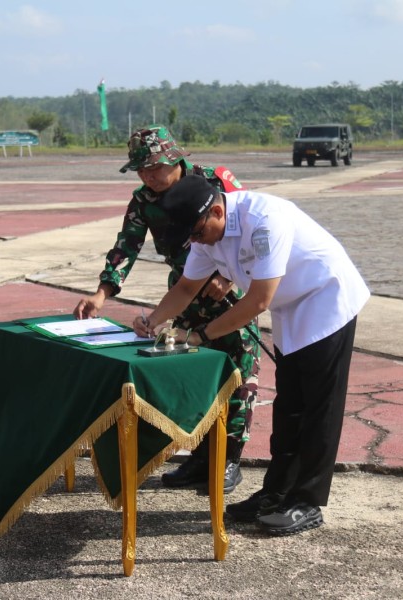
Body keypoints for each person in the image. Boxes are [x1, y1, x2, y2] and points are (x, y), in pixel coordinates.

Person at [133, 175, 370, 537]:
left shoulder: (263, 220)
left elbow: (256, 301)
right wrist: (153, 320)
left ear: (216, 209)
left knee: (320, 406)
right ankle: (274, 493)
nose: (195, 242)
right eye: (191, 237)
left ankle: (307, 501)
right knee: (290, 405)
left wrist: (200, 334)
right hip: (291, 307)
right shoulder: (203, 230)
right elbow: (185, 287)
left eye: (197, 233)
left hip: (326, 297)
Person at [73, 125, 261, 494]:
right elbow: (126, 245)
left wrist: (231, 277)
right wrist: (101, 293)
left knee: (239, 375)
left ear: (175, 159)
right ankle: (201, 457)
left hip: (227, 296)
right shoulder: (144, 200)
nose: (148, 176)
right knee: (196, 378)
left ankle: (229, 460)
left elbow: (247, 229)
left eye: (154, 168)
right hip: (184, 293)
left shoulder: (213, 181)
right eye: (141, 170)